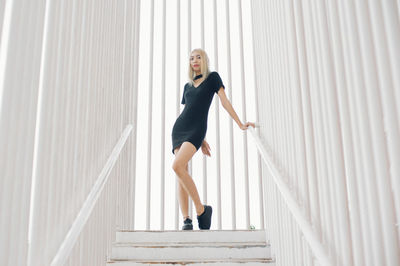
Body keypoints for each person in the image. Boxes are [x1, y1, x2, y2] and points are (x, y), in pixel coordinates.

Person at [171, 48, 255, 230]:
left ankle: (201, 210)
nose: (194, 60)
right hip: (180, 129)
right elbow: (190, 110)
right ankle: (187, 219)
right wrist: (202, 141)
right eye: (191, 58)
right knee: (180, 171)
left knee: (176, 166)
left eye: (198, 57)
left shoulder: (213, 78)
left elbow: (224, 102)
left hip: (196, 129)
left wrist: (240, 123)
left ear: (205, 60)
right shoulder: (187, 86)